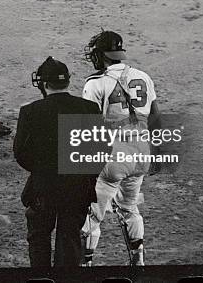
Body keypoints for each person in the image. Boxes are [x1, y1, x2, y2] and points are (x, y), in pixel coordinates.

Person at [80, 30, 162, 267]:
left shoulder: (95, 83)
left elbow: (89, 127)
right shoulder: (143, 77)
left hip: (113, 157)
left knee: (92, 215)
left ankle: (85, 267)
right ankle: (139, 263)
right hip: (142, 153)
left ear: (102, 55)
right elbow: (155, 115)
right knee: (130, 208)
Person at [13, 56, 101, 267]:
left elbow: (20, 153)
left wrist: (44, 169)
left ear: (43, 84)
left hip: (43, 187)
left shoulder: (30, 111)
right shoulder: (89, 108)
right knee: (69, 240)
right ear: (67, 82)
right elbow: (99, 152)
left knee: (39, 238)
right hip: (78, 188)